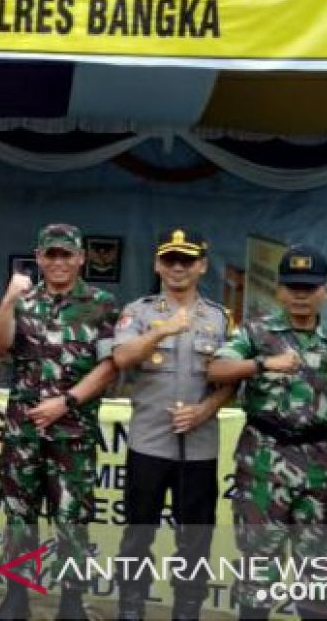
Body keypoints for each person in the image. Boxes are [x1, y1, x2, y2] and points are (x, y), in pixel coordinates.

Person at [210, 245, 327, 621]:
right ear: (279, 290)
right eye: (293, 286)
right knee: (258, 567)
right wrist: (262, 364)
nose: (301, 294)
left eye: (309, 286)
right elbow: (217, 369)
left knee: (319, 571)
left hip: (322, 467)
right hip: (263, 467)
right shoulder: (256, 333)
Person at [0, 223, 119, 621]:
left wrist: (67, 402)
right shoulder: (23, 301)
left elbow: (111, 365)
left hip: (73, 433)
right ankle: (17, 597)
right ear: (40, 257)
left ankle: (71, 602)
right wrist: (9, 300)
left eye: (67, 254)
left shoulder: (102, 303)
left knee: (72, 520)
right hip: (23, 432)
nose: (59, 262)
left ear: (80, 257)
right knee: (19, 515)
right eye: (51, 254)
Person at [109, 229, 234, 621]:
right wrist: (162, 329)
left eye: (187, 260)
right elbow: (123, 358)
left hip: (198, 447)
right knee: (138, 533)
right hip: (148, 443)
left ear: (202, 266)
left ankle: (187, 610)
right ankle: (131, 607)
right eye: (170, 259)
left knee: (196, 537)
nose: (178, 267)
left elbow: (232, 379)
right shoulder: (139, 311)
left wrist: (206, 409)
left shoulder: (219, 317)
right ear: (157, 264)